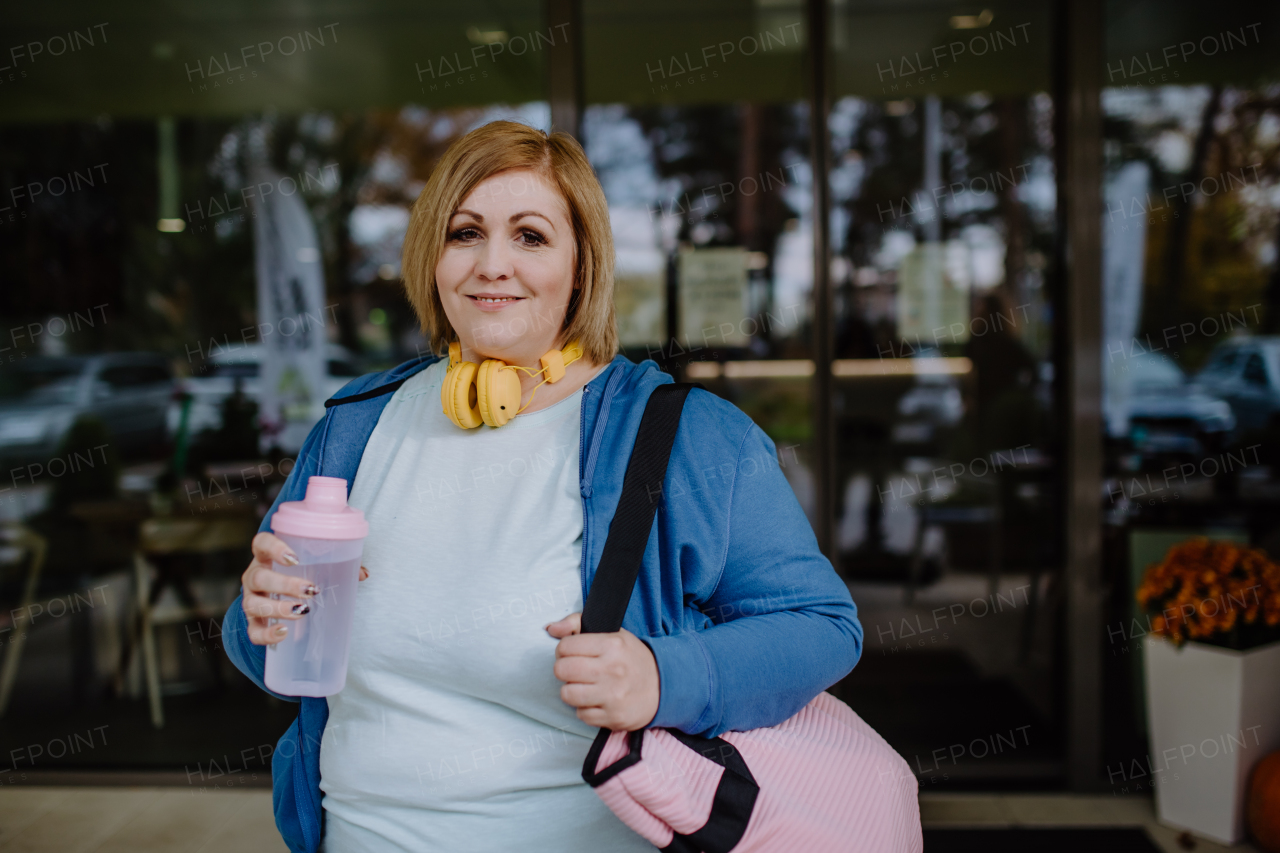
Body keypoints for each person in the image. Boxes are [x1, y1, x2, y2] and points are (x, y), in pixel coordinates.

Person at [223, 120, 863, 853]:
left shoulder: (687, 437)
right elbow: (266, 652)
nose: (494, 264)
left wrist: (664, 674)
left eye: (530, 236)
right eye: (465, 233)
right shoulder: (353, 428)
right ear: (433, 255)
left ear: (582, 265)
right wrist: (258, 619)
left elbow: (822, 626)